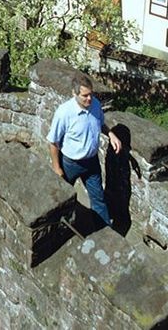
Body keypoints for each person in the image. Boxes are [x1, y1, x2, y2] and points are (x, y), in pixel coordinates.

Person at [47, 73, 121, 226]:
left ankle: (104, 234)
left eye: (91, 94)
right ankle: (59, 229)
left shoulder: (95, 105)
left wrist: (111, 134)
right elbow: (53, 142)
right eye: (85, 96)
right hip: (70, 164)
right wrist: (56, 167)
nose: (89, 99)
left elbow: (100, 124)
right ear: (74, 94)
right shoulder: (64, 113)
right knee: (62, 199)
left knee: (98, 198)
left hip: (91, 162)